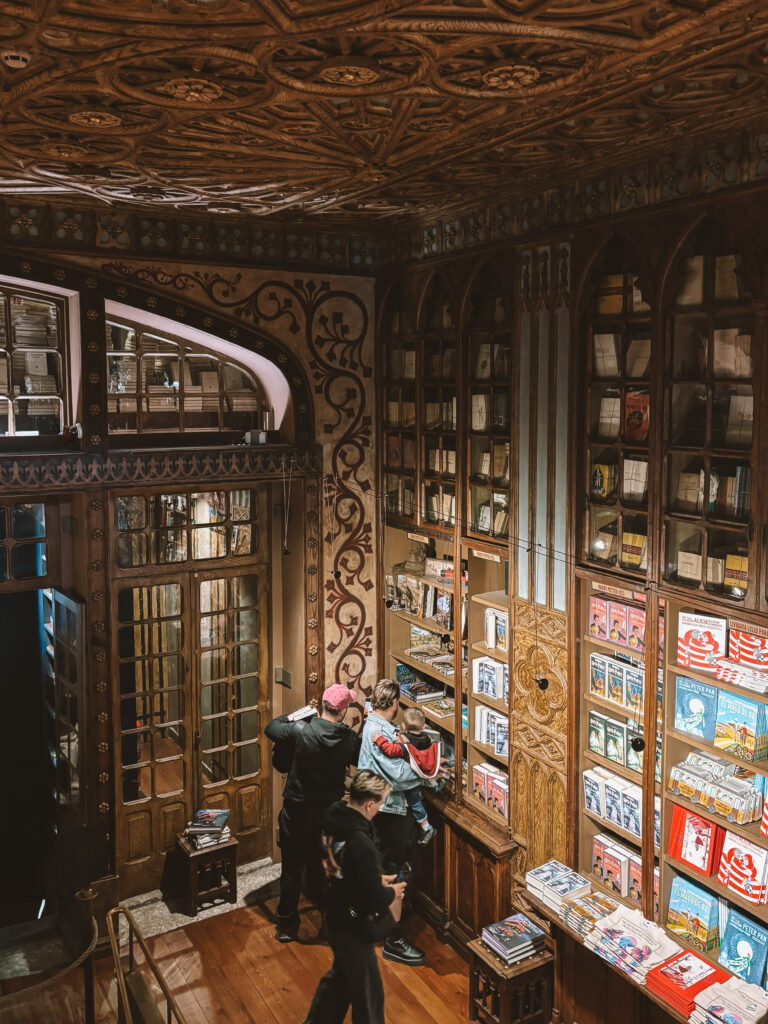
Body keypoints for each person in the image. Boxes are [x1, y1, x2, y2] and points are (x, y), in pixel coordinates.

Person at [303, 770, 405, 1024]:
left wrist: (371, 879)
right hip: (352, 920)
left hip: (335, 909)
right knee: (369, 997)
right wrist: (392, 892)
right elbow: (371, 899)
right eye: (381, 803)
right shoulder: (361, 843)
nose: (380, 809)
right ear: (370, 804)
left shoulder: (332, 816)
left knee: (340, 982)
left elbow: (339, 864)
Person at [265, 683, 360, 942]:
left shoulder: (302, 732)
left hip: (296, 812)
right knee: (330, 870)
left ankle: (286, 925)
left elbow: (271, 728)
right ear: (342, 712)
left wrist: (295, 715)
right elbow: (359, 760)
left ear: (323, 707)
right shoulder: (349, 739)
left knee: (291, 870)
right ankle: (329, 925)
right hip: (327, 814)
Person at [357, 678, 428, 966]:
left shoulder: (374, 727)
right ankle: (393, 940)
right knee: (392, 874)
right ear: (396, 704)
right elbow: (399, 776)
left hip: (378, 809)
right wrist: (428, 770)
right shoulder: (378, 731)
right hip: (388, 813)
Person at [371, 706, 439, 845]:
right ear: (424, 726)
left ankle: (426, 827)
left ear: (403, 726)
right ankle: (435, 785)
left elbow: (390, 750)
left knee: (415, 803)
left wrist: (379, 740)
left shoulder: (405, 746)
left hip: (411, 782)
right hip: (424, 773)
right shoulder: (428, 739)